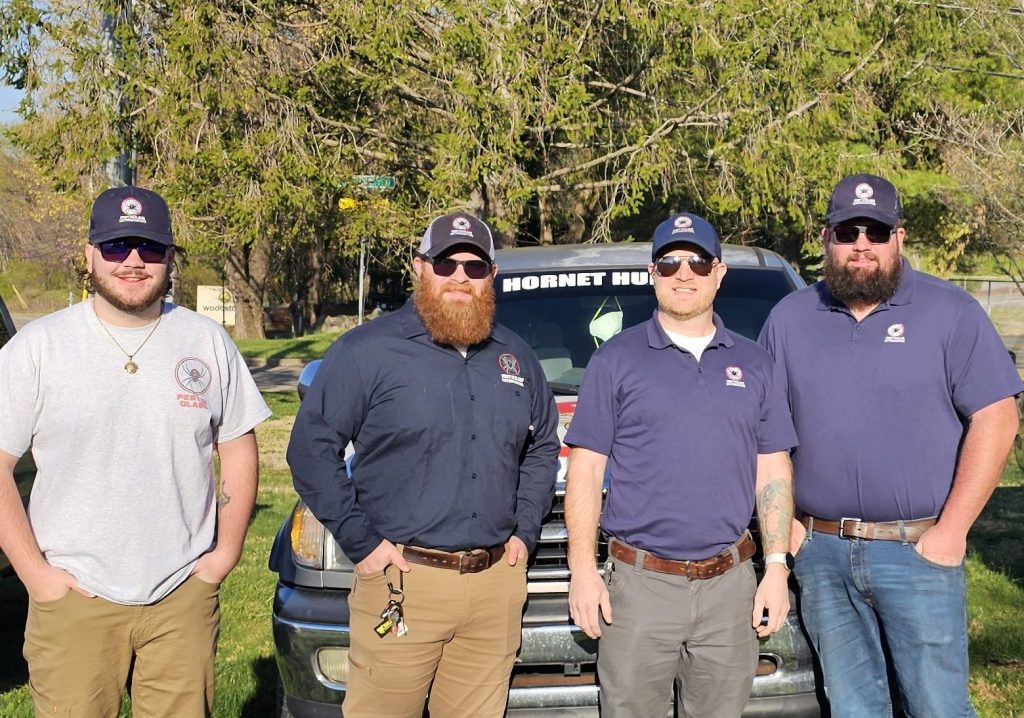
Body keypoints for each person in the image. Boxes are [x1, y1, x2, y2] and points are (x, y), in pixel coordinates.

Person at [0, 186, 272, 717]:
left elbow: (238, 446)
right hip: (73, 598)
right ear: (89, 254)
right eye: (116, 246)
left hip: (181, 595)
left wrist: (224, 556)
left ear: (170, 257)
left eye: (148, 248)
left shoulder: (206, 340)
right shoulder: (38, 347)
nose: (132, 261)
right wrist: (35, 573)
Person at [759, 173, 1023, 718]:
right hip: (823, 553)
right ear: (826, 237)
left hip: (918, 552)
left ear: (898, 237)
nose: (862, 244)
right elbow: (765, 433)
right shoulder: (789, 320)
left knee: (939, 708)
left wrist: (952, 531)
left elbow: (997, 419)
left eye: (875, 231)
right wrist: (789, 527)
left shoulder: (950, 313)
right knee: (855, 708)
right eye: (848, 230)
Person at [287, 212, 559, 718]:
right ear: (420, 268)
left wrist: (525, 529)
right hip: (403, 579)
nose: (460, 277)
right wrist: (361, 542)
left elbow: (543, 444)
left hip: (495, 581)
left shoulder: (516, 357)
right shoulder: (367, 351)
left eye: (474, 267)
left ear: (491, 276)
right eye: (445, 263)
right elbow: (310, 451)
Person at [564, 213, 797, 718]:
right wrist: (582, 569)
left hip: (730, 586)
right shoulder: (616, 361)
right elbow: (584, 471)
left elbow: (773, 469)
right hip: (639, 586)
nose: (683, 273)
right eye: (670, 262)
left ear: (719, 273)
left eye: (697, 262)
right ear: (653, 272)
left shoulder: (756, 364)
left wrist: (775, 568)